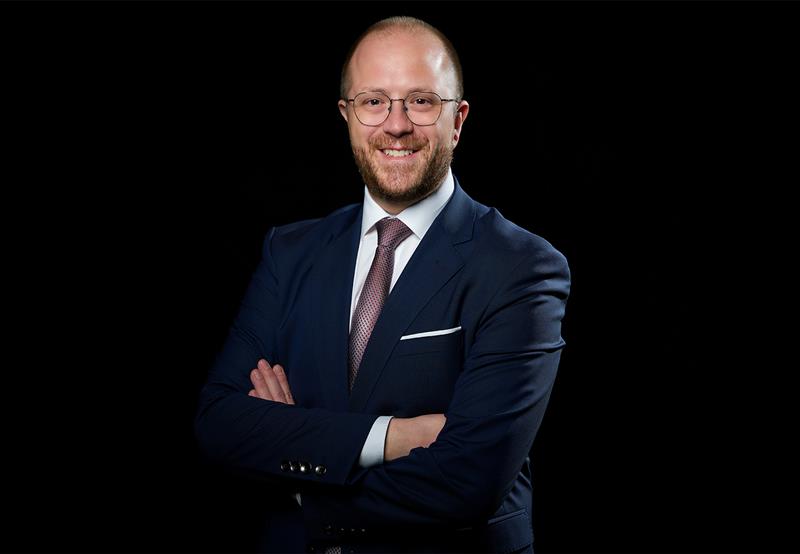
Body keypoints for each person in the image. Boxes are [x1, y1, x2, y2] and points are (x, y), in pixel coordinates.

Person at [195, 15, 570, 554]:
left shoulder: (522, 267)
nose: (396, 125)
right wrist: (394, 436)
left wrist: (296, 476)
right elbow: (218, 423)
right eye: (374, 101)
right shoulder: (290, 253)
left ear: (458, 120)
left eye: (421, 101)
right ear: (347, 116)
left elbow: (471, 479)